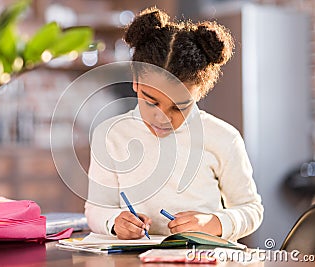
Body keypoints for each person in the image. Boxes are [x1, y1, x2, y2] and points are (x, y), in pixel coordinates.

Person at [84, 7, 263, 241]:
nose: (162, 118)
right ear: (136, 82)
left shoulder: (223, 137)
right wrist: (114, 222)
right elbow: (96, 209)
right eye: (151, 102)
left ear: (198, 94)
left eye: (178, 107)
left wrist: (214, 222)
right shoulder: (111, 135)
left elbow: (251, 208)